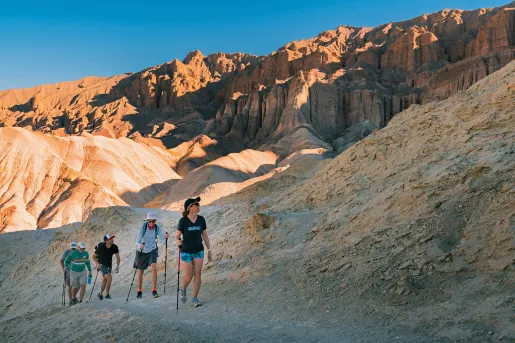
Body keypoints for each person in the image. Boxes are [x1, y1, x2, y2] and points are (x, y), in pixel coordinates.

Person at [175, 197, 212, 307]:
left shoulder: (201, 219)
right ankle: (183, 288)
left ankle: (195, 298)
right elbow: (176, 237)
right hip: (186, 252)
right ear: (190, 207)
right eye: (196, 204)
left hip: (198, 251)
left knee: (198, 274)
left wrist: (209, 250)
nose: (198, 205)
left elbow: (205, 235)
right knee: (188, 276)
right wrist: (178, 242)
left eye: (198, 204)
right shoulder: (183, 221)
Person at [135, 213, 169, 299]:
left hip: (153, 249)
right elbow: (137, 241)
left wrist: (166, 238)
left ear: (155, 221)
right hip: (142, 250)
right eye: (150, 221)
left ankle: (154, 290)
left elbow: (163, 239)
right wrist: (140, 245)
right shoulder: (143, 227)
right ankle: (139, 290)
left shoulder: (157, 227)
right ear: (147, 221)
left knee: (153, 267)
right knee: (140, 271)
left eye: (153, 221)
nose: (151, 223)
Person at [93, 234, 120, 300]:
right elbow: (93, 256)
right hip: (102, 265)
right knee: (109, 277)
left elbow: (118, 257)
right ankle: (107, 295)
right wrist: (97, 264)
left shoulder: (114, 247)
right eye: (110, 239)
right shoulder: (101, 247)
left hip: (109, 265)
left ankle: (100, 294)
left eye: (112, 238)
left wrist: (118, 266)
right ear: (106, 241)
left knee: (105, 281)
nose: (112, 240)